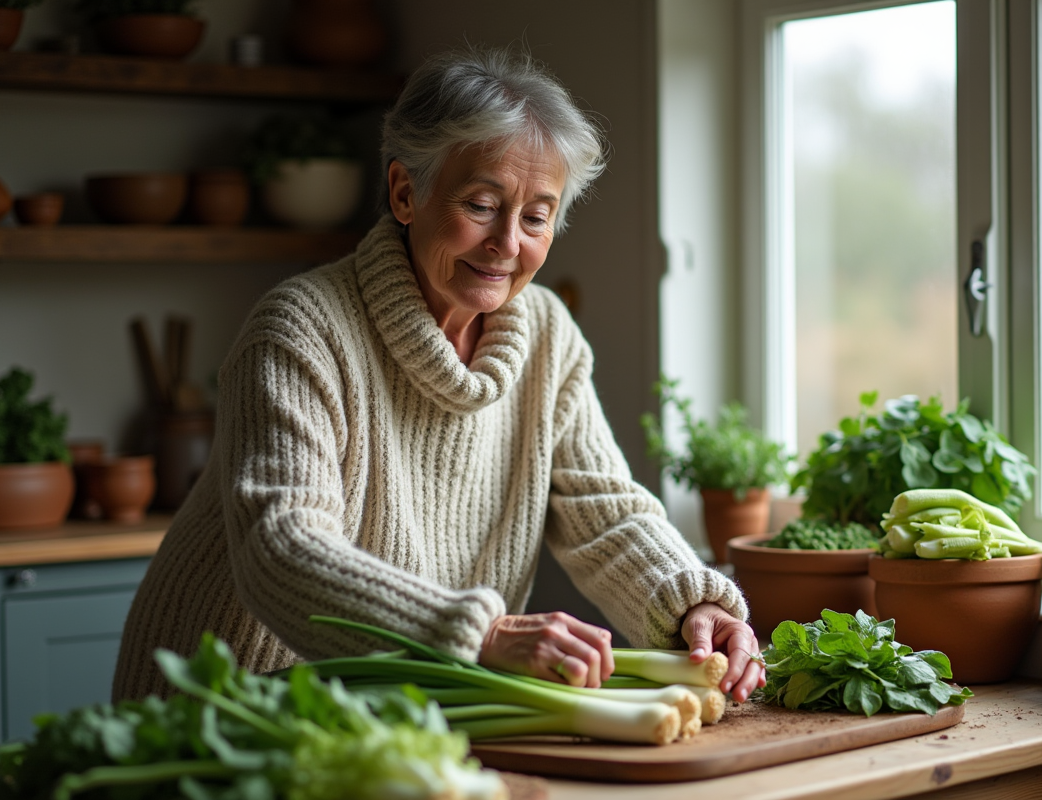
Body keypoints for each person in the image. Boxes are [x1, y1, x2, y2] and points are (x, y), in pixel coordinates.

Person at [112, 44, 766, 704]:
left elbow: (603, 512)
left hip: (413, 699)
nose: (508, 242)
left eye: (536, 216)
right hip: (233, 700)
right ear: (405, 192)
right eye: (481, 205)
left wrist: (691, 605)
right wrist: (478, 634)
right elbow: (282, 549)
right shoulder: (300, 329)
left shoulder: (547, 333)